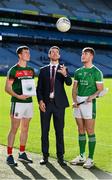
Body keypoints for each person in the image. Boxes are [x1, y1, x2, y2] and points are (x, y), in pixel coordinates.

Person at [36, 46, 72, 166]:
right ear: (49, 55)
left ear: (59, 56)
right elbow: (39, 88)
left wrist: (65, 74)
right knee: (44, 131)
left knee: (59, 131)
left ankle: (60, 157)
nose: (55, 53)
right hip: (46, 105)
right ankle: (45, 156)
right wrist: (40, 101)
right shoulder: (43, 70)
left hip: (59, 105)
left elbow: (69, 83)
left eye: (57, 52)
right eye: (53, 52)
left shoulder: (63, 68)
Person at [70, 47, 103, 169]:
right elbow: (74, 88)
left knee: (90, 131)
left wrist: (92, 96)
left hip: (89, 104)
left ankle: (90, 158)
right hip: (78, 102)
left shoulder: (96, 72)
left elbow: (100, 90)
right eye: (82, 53)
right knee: (80, 129)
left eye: (86, 54)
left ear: (91, 56)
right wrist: (74, 101)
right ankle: (82, 155)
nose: (83, 55)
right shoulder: (78, 71)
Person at [5, 46, 35, 166]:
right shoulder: (13, 70)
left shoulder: (31, 70)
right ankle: (9, 155)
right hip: (17, 103)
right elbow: (7, 88)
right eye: (26, 52)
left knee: (25, 128)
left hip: (29, 103)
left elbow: (30, 86)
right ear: (20, 55)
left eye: (29, 52)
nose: (28, 54)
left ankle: (22, 153)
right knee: (14, 128)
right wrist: (18, 96)